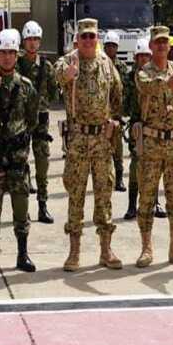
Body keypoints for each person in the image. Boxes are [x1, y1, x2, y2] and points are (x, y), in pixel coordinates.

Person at [54, 18, 125, 272]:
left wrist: (115, 123)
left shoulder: (106, 63)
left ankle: (106, 250)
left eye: (91, 36)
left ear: (97, 38)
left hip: (102, 140)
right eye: (83, 36)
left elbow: (118, 95)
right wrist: (67, 74)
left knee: (104, 192)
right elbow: (57, 74)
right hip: (78, 139)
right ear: (77, 39)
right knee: (76, 193)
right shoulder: (70, 60)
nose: (87, 40)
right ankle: (74, 252)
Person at [0, 29, 39, 273]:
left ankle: (22, 254)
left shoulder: (26, 86)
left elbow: (32, 119)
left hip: (17, 157)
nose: (6, 58)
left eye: (11, 53)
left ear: (17, 55)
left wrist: (19, 140)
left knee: (21, 206)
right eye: (2, 53)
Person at [134, 26, 173, 268]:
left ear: (169, 46)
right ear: (150, 46)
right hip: (152, 146)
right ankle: (146, 248)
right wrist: (167, 83)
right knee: (146, 197)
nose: (161, 46)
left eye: (164, 42)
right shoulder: (143, 73)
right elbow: (147, 87)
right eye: (157, 42)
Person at [16, 20, 59, 224]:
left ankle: (43, 205)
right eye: (29, 39)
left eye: (35, 39)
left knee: (42, 165)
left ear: (40, 42)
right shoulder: (16, 64)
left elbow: (53, 93)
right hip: (21, 122)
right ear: (23, 42)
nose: (32, 43)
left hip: (41, 123)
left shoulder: (46, 66)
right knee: (21, 165)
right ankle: (23, 208)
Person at [123, 37, 152, 220]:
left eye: (146, 56)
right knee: (135, 165)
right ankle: (132, 205)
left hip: (154, 125)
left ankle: (153, 203)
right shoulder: (129, 77)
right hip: (136, 125)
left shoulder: (156, 74)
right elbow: (124, 102)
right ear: (135, 58)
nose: (143, 60)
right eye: (140, 57)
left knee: (154, 165)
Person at [102, 31, 128, 193]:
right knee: (102, 149)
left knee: (117, 149)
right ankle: (105, 179)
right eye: (108, 45)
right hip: (101, 114)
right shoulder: (99, 64)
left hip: (116, 114)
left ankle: (119, 178)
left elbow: (124, 90)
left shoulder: (122, 67)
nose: (111, 48)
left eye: (113, 46)